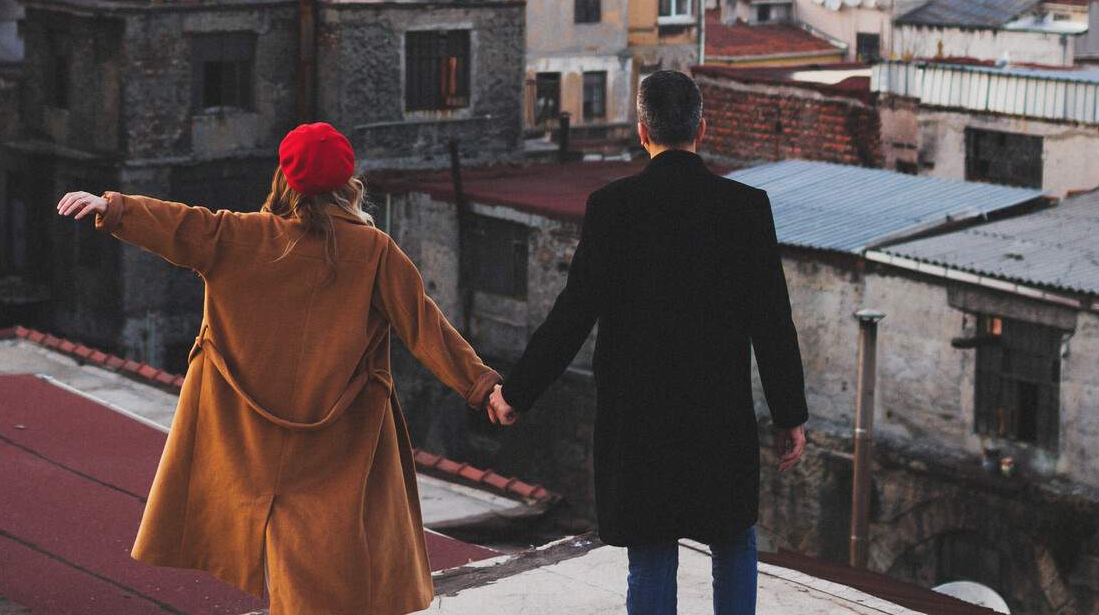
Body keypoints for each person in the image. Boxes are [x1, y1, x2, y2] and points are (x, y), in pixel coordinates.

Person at [57, 121, 498, 615]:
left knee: (278, 548)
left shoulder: (242, 236)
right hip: (341, 438)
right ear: (349, 186)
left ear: (283, 181)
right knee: (331, 562)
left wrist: (113, 208)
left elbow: (182, 225)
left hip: (248, 435)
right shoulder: (374, 252)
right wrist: (483, 387)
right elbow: (425, 327)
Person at [486, 70, 808, 615]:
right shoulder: (746, 207)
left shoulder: (614, 207)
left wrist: (516, 393)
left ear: (642, 132)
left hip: (640, 419)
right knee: (732, 539)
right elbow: (773, 320)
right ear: (701, 129)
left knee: (653, 552)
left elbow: (574, 312)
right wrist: (789, 415)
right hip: (718, 415)